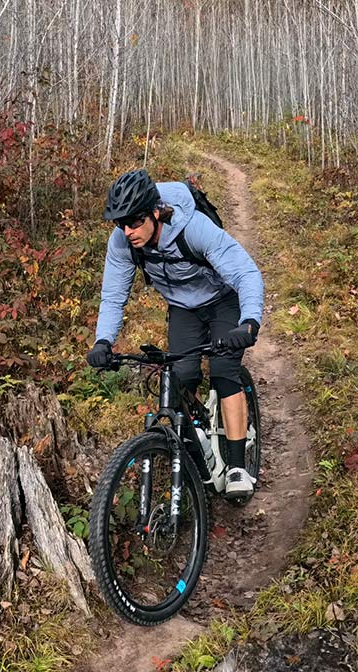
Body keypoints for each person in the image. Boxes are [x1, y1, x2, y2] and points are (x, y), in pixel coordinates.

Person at [88, 169, 265, 496]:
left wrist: (249, 322)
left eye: (135, 221)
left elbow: (245, 272)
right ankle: (198, 451)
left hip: (222, 298)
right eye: (120, 223)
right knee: (181, 376)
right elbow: (113, 295)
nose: (128, 231)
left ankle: (238, 466)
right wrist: (104, 341)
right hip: (183, 307)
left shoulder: (193, 229)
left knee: (224, 371)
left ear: (155, 212)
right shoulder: (124, 241)